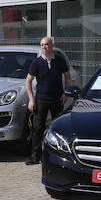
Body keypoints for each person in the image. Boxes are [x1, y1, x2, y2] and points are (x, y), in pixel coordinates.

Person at [25, 36, 71, 165]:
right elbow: (28, 82)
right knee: (38, 128)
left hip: (57, 99)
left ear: (52, 46)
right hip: (41, 100)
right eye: (42, 45)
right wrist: (31, 100)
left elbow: (67, 77)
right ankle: (35, 157)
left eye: (46, 45)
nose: (44, 47)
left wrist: (65, 93)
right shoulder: (37, 63)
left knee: (58, 129)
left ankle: (58, 156)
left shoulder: (60, 61)